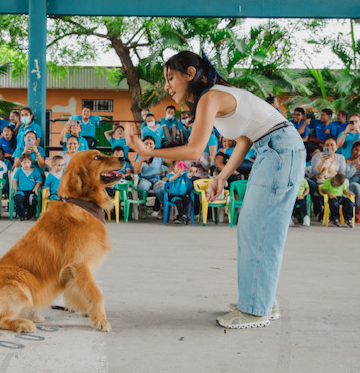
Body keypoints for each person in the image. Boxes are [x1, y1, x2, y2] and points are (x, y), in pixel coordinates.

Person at [125, 51, 305, 329]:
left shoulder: (210, 98)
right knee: (254, 227)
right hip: (273, 148)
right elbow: (245, 139)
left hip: (279, 149)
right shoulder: (217, 96)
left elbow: (195, 150)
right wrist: (221, 175)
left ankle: (257, 310)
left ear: (190, 73)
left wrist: (147, 151)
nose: (167, 86)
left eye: (170, 78)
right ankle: (262, 300)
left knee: (259, 228)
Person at [308, 137, 346, 217]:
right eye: (327, 145)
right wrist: (322, 161)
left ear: (336, 147)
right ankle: (325, 211)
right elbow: (315, 172)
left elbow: (342, 173)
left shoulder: (340, 157)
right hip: (319, 180)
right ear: (323, 147)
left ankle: (336, 211)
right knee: (320, 186)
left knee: (343, 185)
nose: (329, 147)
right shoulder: (318, 156)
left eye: (332, 145)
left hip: (334, 181)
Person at [132, 136, 166, 217]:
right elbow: (136, 171)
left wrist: (166, 178)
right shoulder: (139, 155)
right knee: (143, 187)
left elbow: (173, 163)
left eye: (151, 143)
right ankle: (142, 207)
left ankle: (162, 208)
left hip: (158, 178)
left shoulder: (159, 155)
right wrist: (141, 159)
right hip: (145, 179)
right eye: (146, 143)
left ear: (154, 145)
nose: (149, 145)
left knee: (161, 188)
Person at [12, 153, 43, 220]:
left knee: (33, 200)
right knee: (18, 198)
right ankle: (21, 215)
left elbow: (38, 181)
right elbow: (15, 180)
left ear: (31, 162)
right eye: (24, 162)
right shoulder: (19, 171)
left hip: (31, 191)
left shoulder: (35, 171)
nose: (26, 164)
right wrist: (15, 190)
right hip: (21, 191)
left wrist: (36, 188)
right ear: (20, 163)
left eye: (28, 162)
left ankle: (30, 214)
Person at [166, 160, 196, 225]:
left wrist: (193, 171)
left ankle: (184, 216)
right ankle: (180, 216)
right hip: (175, 196)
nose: (179, 168)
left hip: (184, 195)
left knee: (189, 201)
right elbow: (171, 179)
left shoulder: (184, 175)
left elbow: (190, 175)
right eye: (177, 166)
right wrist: (177, 174)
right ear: (173, 167)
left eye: (181, 166)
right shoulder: (171, 174)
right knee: (179, 203)